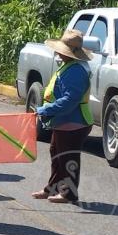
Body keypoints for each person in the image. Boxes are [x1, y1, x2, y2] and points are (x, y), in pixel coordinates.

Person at [32, 29, 94, 204]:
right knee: (57, 155)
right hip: (64, 121)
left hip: (74, 121)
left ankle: (69, 194)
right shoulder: (70, 66)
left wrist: (45, 110)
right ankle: (52, 189)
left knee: (68, 158)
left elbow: (69, 100)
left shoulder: (76, 71)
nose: (58, 52)